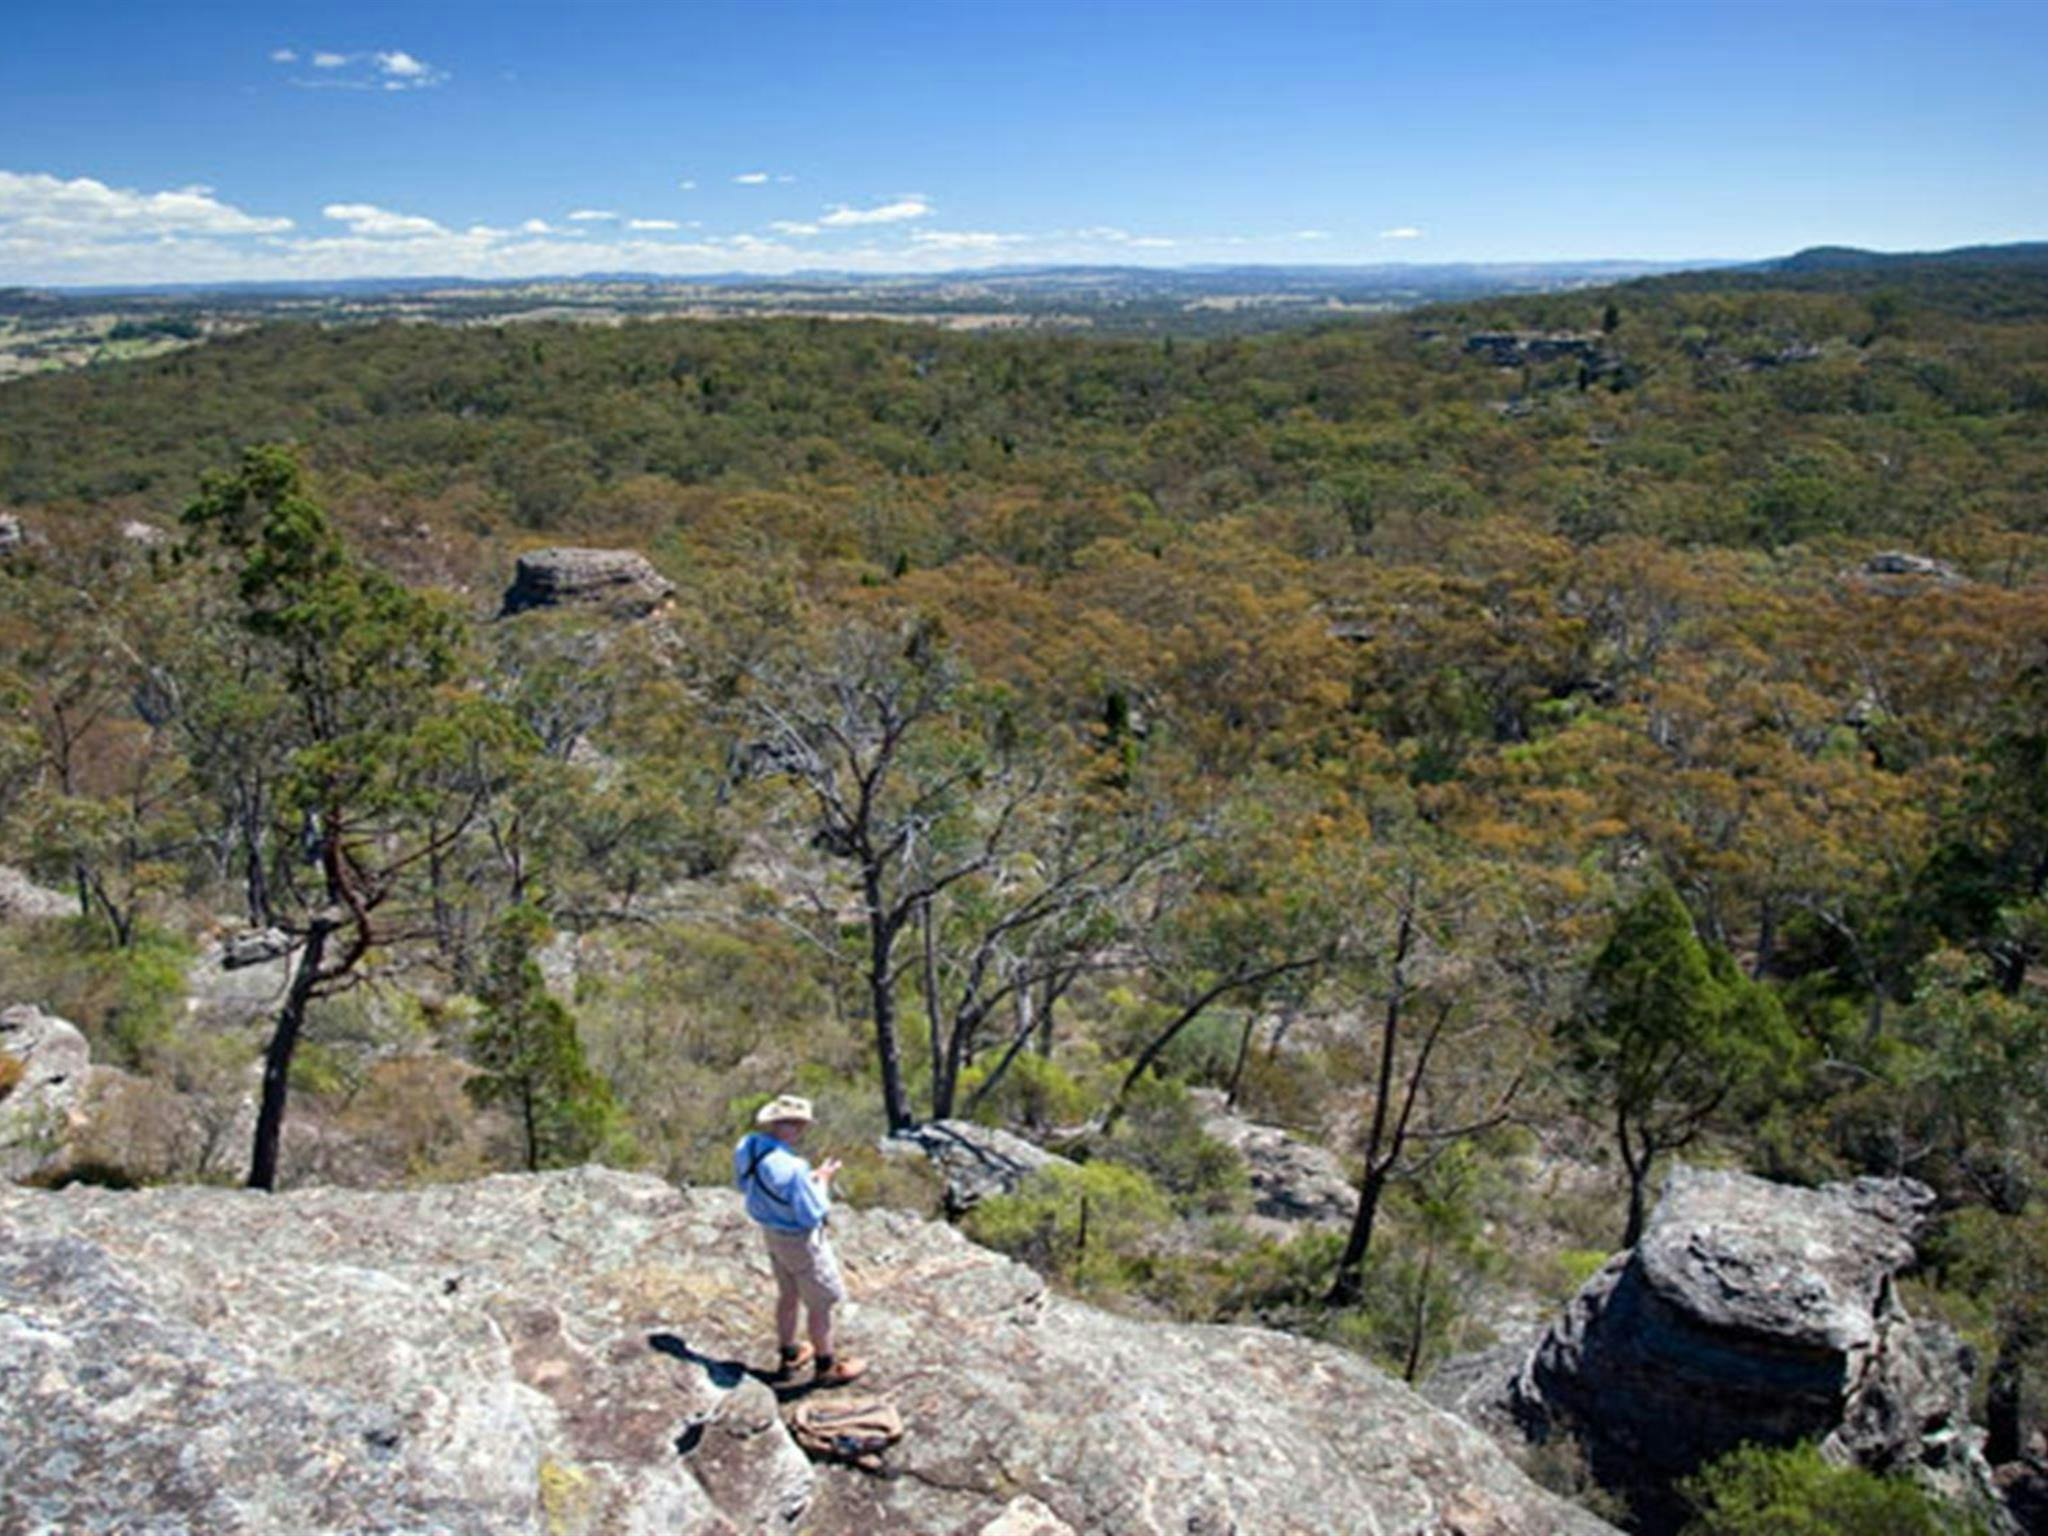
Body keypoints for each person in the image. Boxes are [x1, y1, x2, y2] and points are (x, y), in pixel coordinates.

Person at [733, 1094, 867, 1386]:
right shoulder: (794, 1168)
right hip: (800, 1240)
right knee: (820, 1304)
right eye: (800, 1125)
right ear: (790, 1126)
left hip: (772, 1233)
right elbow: (811, 1214)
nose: (802, 1130)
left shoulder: (749, 1146)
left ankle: (789, 1352)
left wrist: (807, 1182)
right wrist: (821, 1182)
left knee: (788, 1294)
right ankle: (826, 1366)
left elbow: (744, 1183)